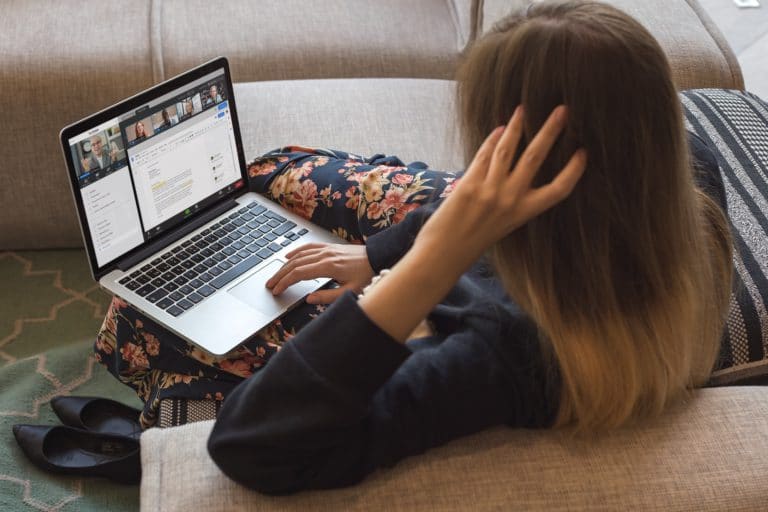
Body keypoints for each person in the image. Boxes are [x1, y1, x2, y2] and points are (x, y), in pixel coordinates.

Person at [95, 0, 733, 494]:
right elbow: (463, 199)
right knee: (269, 173)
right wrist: (374, 255)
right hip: (497, 247)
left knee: (138, 320)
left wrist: (428, 264)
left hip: (451, 291)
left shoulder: (505, 353)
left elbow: (249, 445)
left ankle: (156, 426)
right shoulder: (681, 181)